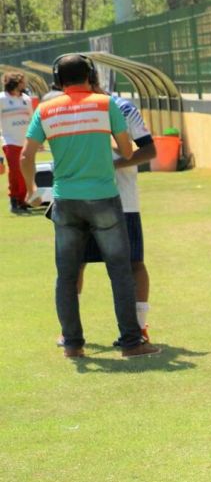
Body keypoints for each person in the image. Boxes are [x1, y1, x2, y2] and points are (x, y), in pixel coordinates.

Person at [20, 53, 159, 359]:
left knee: (67, 275)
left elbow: (25, 156)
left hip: (66, 200)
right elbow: (125, 149)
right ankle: (131, 342)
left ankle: (72, 344)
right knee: (120, 271)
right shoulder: (105, 104)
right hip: (104, 198)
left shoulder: (45, 109)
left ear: (58, 79)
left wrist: (30, 189)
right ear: (91, 74)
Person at [75, 85, 157, 344]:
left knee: (133, 263)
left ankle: (139, 327)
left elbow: (149, 151)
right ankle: (71, 332)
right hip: (80, 199)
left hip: (123, 201)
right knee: (75, 264)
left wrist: (111, 165)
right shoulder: (67, 109)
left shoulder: (122, 108)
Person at [1, 71, 34, 214]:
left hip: (25, 141)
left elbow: (32, 120)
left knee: (27, 171)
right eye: (22, 81)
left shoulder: (26, 99)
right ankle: (14, 199)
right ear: (15, 83)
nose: (24, 84)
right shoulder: (2, 98)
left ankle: (24, 200)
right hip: (10, 140)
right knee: (15, 170)